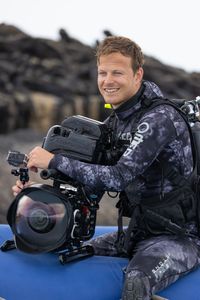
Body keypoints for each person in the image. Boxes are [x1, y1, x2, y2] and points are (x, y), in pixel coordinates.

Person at [12, 36, 200, 300]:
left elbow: (118, 178)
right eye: (103, 72)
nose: (107, 81)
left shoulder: (158, 119)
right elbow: (89, 189)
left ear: (138, 75)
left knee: (136, 281)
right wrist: (35, 193)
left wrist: (54, 160)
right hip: (138, 231)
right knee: (75, 251)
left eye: (117, 72)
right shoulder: (117, 122)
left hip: (181, 238)